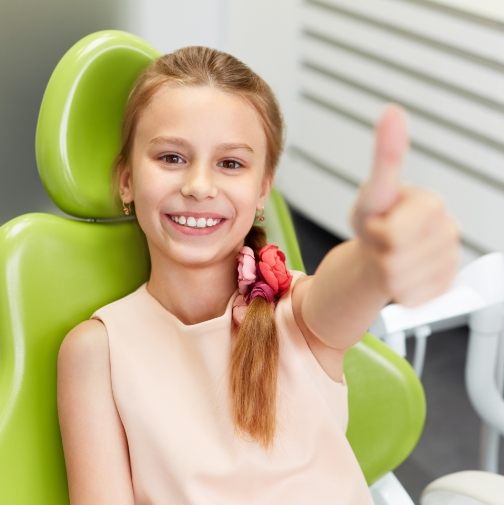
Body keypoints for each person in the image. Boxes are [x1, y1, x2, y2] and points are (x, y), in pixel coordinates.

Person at [57, 46, 459, 505]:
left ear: (262, 190)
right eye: (171, 157)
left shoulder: (298, 312)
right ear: (127, 180)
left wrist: (377, 257)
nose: (199, 186)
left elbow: (349, 286)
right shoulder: (97, 352)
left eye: (230, 164)